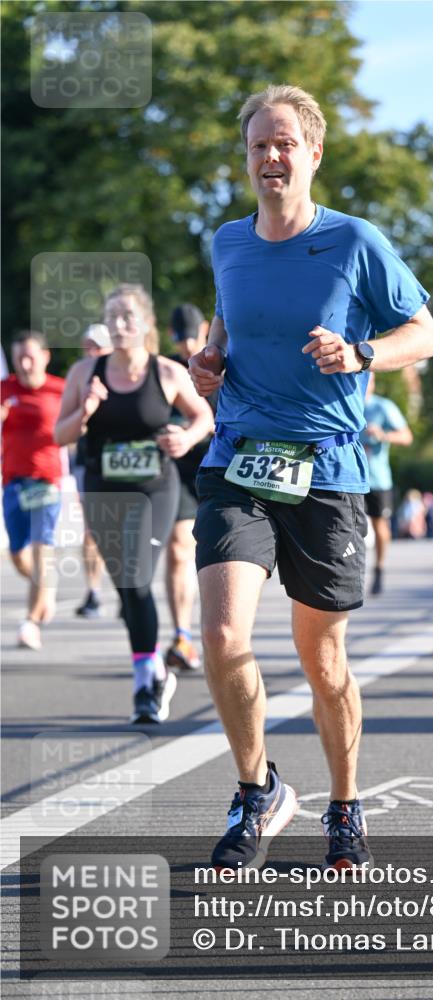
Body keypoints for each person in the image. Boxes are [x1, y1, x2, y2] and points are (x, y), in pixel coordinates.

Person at [187, 84, 433, 872]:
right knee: (223, 636)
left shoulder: (355, 242)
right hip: (240, 457)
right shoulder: (227, 241)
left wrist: (363, 353)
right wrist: (209, 359)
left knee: (322, 663)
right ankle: (255, 788)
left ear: (313, 153)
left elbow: (422, 333)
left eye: (284, 143)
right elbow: (224, 317)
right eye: (258, 144)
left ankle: (343, 803)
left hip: (328, 468)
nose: (270, 156)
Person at [55, 284, 214, 723]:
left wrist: (186, 436)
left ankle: (145, 683)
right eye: (112, 317)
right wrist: (85, 411)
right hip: (104, 489)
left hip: (154, 489)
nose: (119, 324)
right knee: (127, 587)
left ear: (144, 323)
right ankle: (155, 669)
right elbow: (61, 435)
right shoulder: (85, 373)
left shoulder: (165, 373)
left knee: (137, 574)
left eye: (127, 316)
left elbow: (205, 415)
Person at [1, 330, 65, 650]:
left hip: (47, 482)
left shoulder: (60, 389)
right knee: (17, 553)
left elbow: (75, 428)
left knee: (42, 551)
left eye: (30, 356)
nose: (25, 363)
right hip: (12, 482)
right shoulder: (4, 389)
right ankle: (46, 587)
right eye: (18, 358)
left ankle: (31, 623)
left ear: (44, 357)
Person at [164, 303, 214, 671]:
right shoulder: (165, 370)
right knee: (180, 549)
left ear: (207, 329)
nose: (187, 348)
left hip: (221, 470)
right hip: (178, 473)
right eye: (181, 341)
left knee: (219, 559)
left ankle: (222, 632)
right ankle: (182, 635)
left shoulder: (226, 362)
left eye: (193, 338)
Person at [72, 324, 112, 618]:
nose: (92, 351)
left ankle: (130, 592)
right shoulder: (80, 375)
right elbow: (68, 426)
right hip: (90, 463)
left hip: (129, 466)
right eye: (88, 345)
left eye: (97, 345)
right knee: (91, 531)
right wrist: (85, 408)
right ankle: (94, 592)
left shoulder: (128, 375)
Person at [361, 372, 413, 594]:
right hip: (348, 478)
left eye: (367, 380)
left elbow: (406, 436)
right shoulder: (343, 405)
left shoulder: (383, 407)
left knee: (379, 526)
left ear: (372, 382)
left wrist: (383, 435)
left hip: (378, 479)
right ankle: (349, 572)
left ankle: (379, 568)